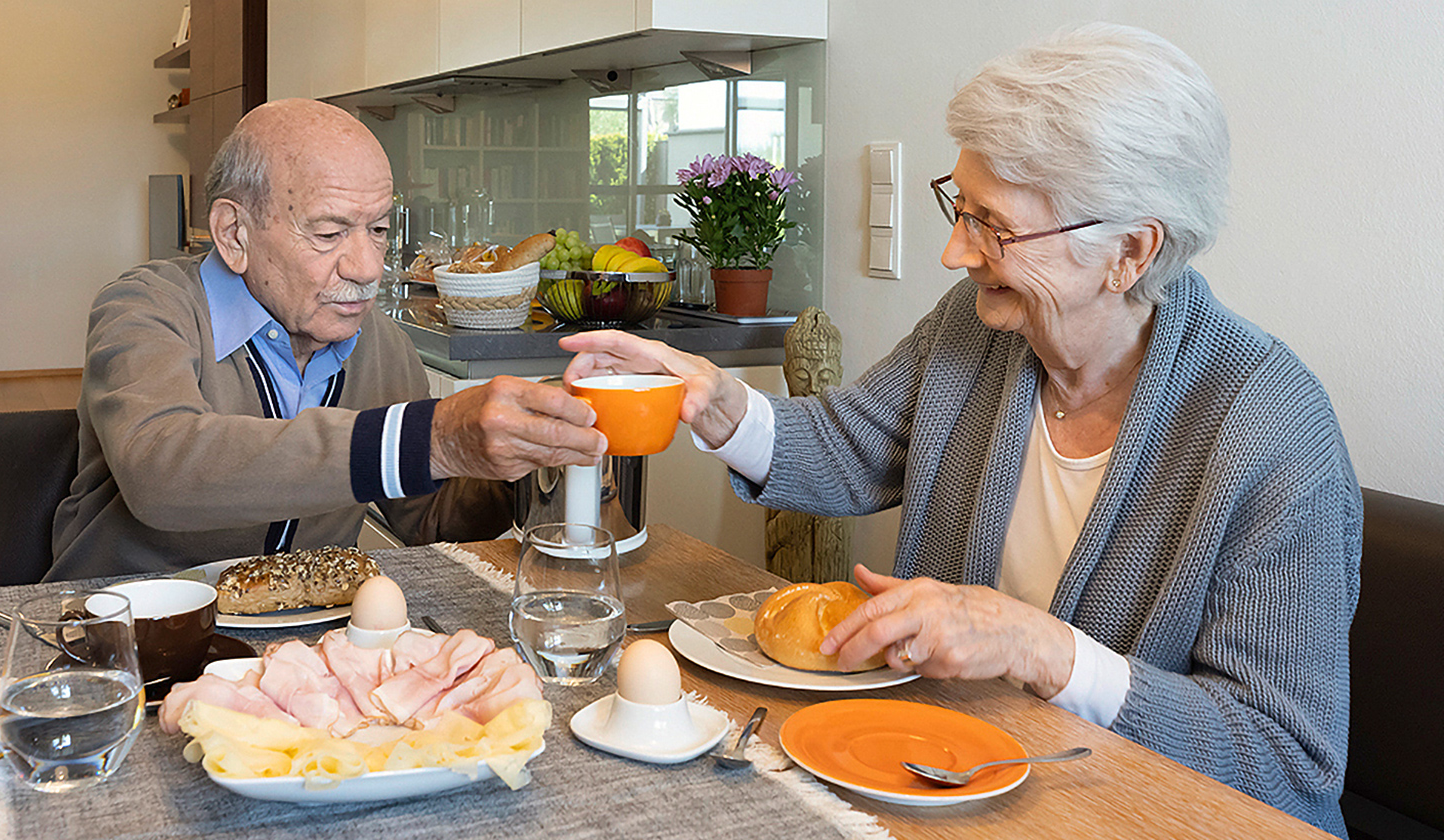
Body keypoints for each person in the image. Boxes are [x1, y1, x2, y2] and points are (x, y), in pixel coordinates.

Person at [561, 24, 1359, 837]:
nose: (953, 251)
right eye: (959, 207)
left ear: (1129, 250)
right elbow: (851, 444)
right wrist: (720, 406)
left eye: (994, 226)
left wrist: (1041, 650)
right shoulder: (978, 329)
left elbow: (1284, 764)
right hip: (943, 788)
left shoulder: (1271, 428)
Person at [49, 99, 605, 580]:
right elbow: (161, 472)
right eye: (329, 232)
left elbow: (430, 520)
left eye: (379, 230)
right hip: (120, 638)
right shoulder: (147, 307)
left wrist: (538, 458)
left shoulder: (382, 344)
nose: (367, 268)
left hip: (295, 649)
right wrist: (428, 438)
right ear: (233, 233)